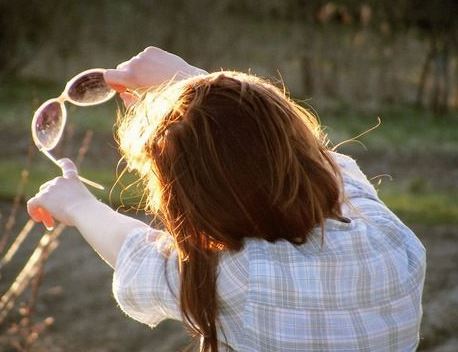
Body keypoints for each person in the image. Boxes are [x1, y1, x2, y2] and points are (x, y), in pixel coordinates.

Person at [27, 47, 426, 351]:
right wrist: (200, 83)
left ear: (194, 205)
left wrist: (77, 204)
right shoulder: (392, 242)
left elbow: (136, 250)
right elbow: (314, 160)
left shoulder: (239, 278)